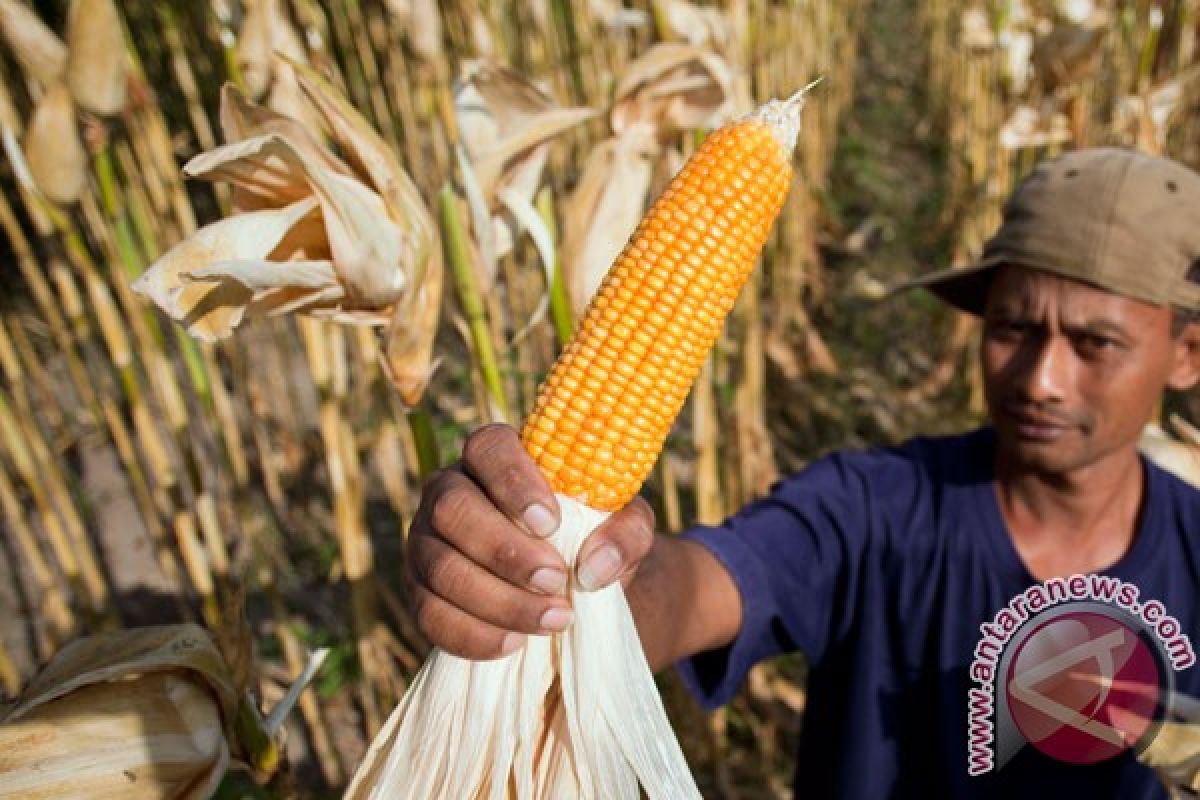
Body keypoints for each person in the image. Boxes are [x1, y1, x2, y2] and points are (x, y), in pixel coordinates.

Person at [402, 147, 1200, 798]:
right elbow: (691, 590)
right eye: (1014, 328)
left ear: (1186, 355)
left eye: (1095, 344)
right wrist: (571, 576)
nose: (1040, 379)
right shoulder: (870, 508)